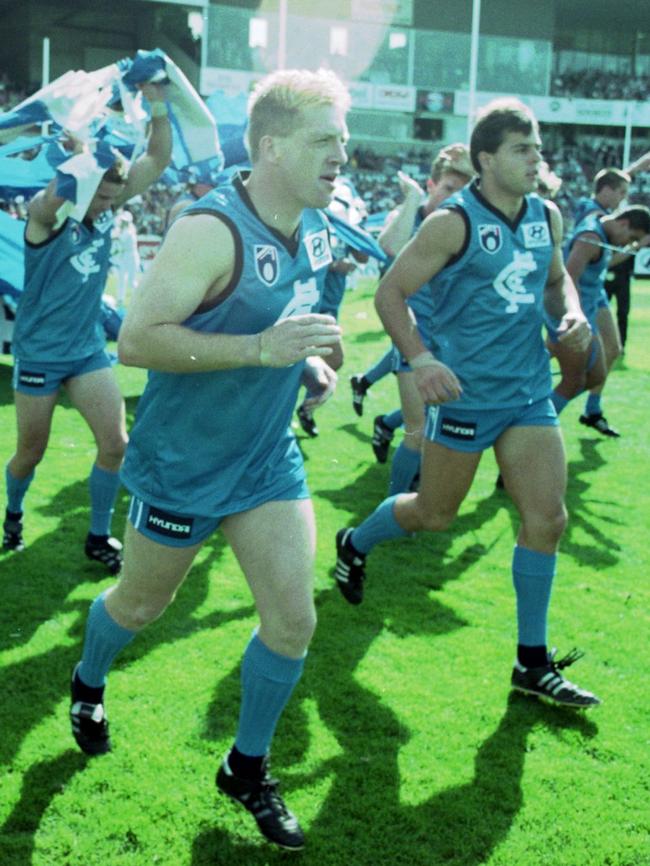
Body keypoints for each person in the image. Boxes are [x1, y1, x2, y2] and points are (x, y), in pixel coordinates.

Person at [69, 68, 350, 851]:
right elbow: (136, 342)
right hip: (183, 464)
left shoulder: (314, 226)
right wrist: (261, 349)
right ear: (270, 146)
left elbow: (283, 323)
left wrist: (304, 365)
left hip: (265, 462)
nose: (342, 154)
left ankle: (246, 766)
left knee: (293, 622)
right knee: (137, 609)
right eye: (325, 139)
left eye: (344, 140)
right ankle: (89, 680)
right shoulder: (209, 228)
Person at [334, 98, 601, 709]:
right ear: (486, 158)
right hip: (466, 396)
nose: (537, 159)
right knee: (434, 515)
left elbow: (558, 283)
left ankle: (530, 663)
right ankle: (357, 541)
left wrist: (574, 316)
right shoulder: (451, 223)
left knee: (548, 519)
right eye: (522, 149)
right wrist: (423, 361)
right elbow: (391, 293)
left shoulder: (548, 216)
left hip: (528, 392)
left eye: (537, 147)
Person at [2, 83, 172, 572]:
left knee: (116, 444)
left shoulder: (107, 208)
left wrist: (158, 102)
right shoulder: (47, 218)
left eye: (113, 198)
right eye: (100, 197)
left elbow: (158, 158)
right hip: (38, 354)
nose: (106, 206)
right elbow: (52, 197)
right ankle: (13, 512)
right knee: (30, 454)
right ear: (85, 184)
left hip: (85, 351)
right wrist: (83, 152)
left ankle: (98, 537)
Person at [350, 144, 473, 481]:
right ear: (432, 186)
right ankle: (396, 508)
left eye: (462, 191)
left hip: (452, 338)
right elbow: (389, 247)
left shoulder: (462, 225)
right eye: (448, 189)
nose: (454, 197)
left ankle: (415, 487)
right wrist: (412, 199)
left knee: (441, 426)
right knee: (418, 430)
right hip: (413, 335)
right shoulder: (409, 215)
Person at [549, 206, 650, 433]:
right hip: (577, 310)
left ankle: (590, 412)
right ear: (624, 224)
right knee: (583, 377)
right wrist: (576, 315)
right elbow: (568, 277)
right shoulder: (590, 237)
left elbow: (604, 263)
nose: (627, 243)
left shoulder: (600, 227)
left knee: (610, 353)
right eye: (631, 237)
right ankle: (534, 420)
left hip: (593, 299)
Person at [296, 176, 368, 437]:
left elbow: (363, 255)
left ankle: (301, 408)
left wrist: (359, 226)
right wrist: (335, 265)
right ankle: (298, 408)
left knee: (327, 362)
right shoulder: (310, 215)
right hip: (310, 300)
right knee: (328, 359)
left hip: (331, 300)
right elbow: (299, 257)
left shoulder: (346, 218)